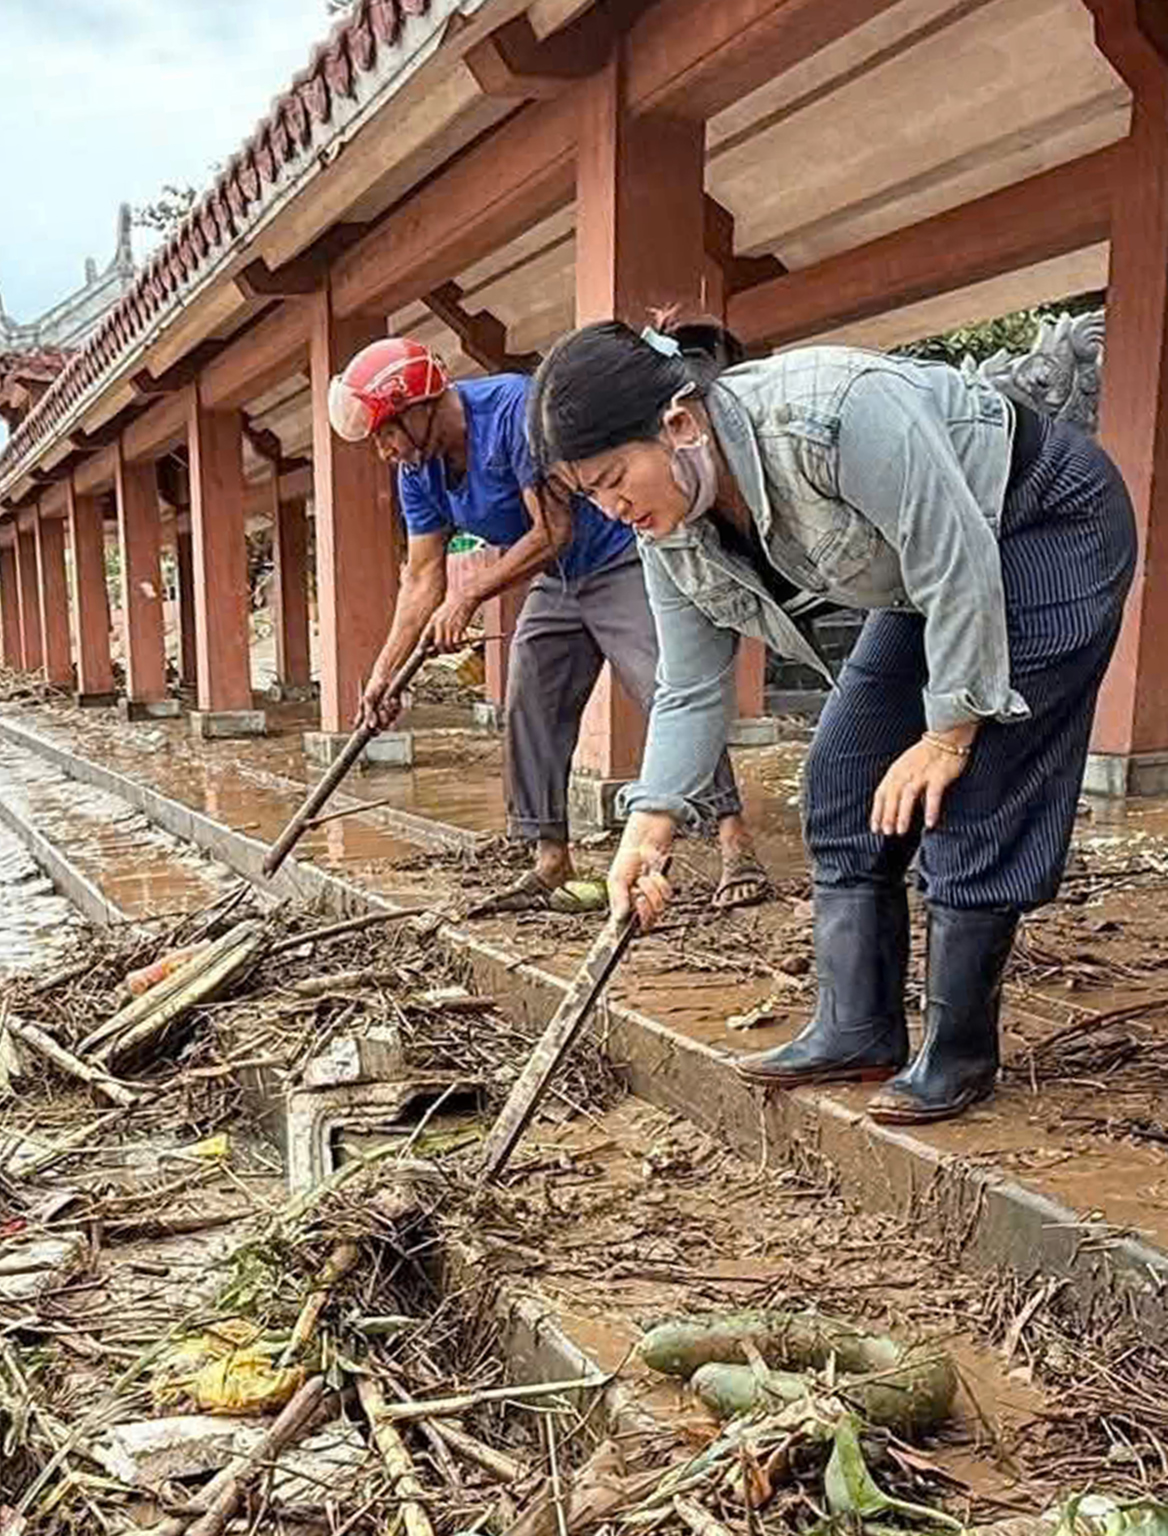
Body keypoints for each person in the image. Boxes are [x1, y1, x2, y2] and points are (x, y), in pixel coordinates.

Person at [525, 318, 1135, 1124]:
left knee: (977, 785)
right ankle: (856, 1026)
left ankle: (958, 1054)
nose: (612, 509)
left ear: (678, 423)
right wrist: (651, 821)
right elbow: (690, 685)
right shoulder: (668, 528)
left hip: (1043, 521)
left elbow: (956, 557)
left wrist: (946, 734)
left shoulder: (836, 411)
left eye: (612, 479)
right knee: (842, 774)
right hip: (929, 578)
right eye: (590, 495)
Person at [327, 335, 769, 912]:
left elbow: (551, 531)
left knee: (664, 687)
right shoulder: (418, 469)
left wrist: (469, 598)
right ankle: (550, 858)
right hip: (559, 579)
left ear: (421, 407)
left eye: (387, 431)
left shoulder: (513, 411)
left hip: (617, 557)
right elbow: (420, 577)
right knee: (530, 698)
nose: (385, 449)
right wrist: (385, 675)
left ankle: (733, 839)